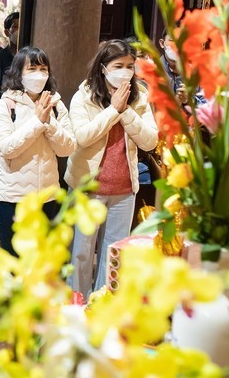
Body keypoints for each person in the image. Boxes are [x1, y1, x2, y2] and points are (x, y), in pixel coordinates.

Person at [66, 39, 158, 298]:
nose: (126, 71)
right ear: (104, 68)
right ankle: (78, 303)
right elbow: (82, 136)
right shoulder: (84, 94)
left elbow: (150, 140)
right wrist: (112, 111)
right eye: (119, 65)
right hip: (88, 186)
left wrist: (125, 111)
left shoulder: (139, 95)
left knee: (114, 252)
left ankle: (103, 302)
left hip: (124, 188)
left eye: (130, 66)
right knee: (82, 251)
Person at [0, 46, 76, 256]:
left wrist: (48, 122)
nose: (39, 74)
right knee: (15, 261)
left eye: (43, 69)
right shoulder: (5, 105)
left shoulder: (56, 105)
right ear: (19, 73)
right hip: (12, 198)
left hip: (46, 197)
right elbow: (6, 148)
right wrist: (37, 122)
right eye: (32, 69)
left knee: (41, 261)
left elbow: (67, 148)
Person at [158, 28, 206, 108]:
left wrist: (190, 100)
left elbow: (206, 107)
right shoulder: (153, 71)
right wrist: (178, 101)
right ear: (162, 43)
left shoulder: (195, 73)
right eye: (172, 40)